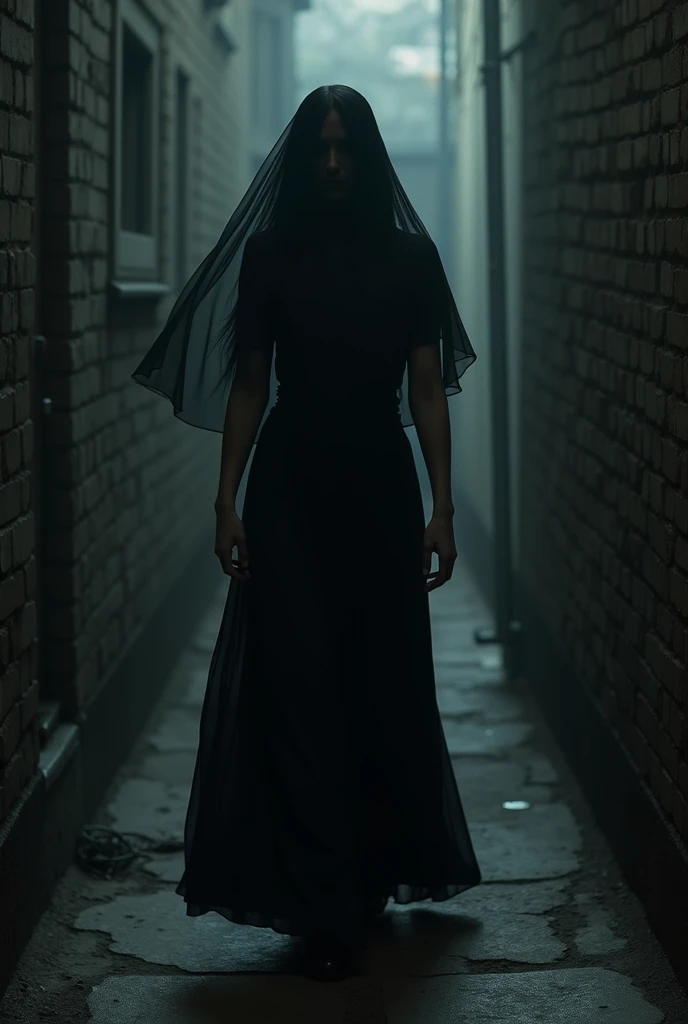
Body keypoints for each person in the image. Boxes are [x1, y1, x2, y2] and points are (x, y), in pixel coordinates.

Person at [132, 84, 481, 983]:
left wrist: (441, 506)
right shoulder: (270, 255)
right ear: (303, 156)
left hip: (378, 487)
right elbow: (250, 381)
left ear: (366, 156)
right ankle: (326, 908)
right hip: (288, 488)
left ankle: (363, 878)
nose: (331, 163)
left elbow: (426, 388)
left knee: (378, 677)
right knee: (298, 680)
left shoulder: (410, 259)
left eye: (346, 149)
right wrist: (227, 499)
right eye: (319, 148)